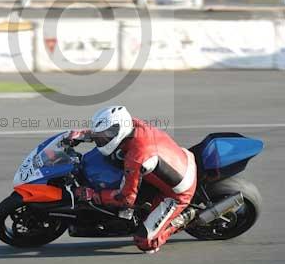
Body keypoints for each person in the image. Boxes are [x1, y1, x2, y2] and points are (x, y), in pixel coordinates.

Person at [64, 105, 197, 253]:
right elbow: (106, 133)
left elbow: (126, 199)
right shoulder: (130, 123)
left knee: (145, 242)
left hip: (177, 192)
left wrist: (94, 195)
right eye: (100, 135)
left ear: (118, 131)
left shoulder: (136, 157)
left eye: (104, 136)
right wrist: (83, 135)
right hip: (176, 159)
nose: (101, 140)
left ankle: (182, 218)